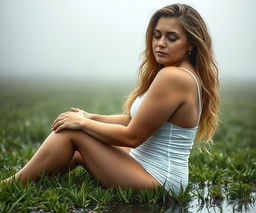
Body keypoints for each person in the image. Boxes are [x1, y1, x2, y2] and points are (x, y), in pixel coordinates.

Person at [2, 3, 219, 194]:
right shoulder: (180, 72)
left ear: (191, 43)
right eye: (157, 35)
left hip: (160, 181)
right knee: (78, 152)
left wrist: (83, 123)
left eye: (172, 38)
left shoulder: (173, 76)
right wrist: (91, 116)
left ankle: (10, 185)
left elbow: (132, 136)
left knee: (72, 132)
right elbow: (133, 120)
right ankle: (36, 180)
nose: (160, 43)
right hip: (145, 163)